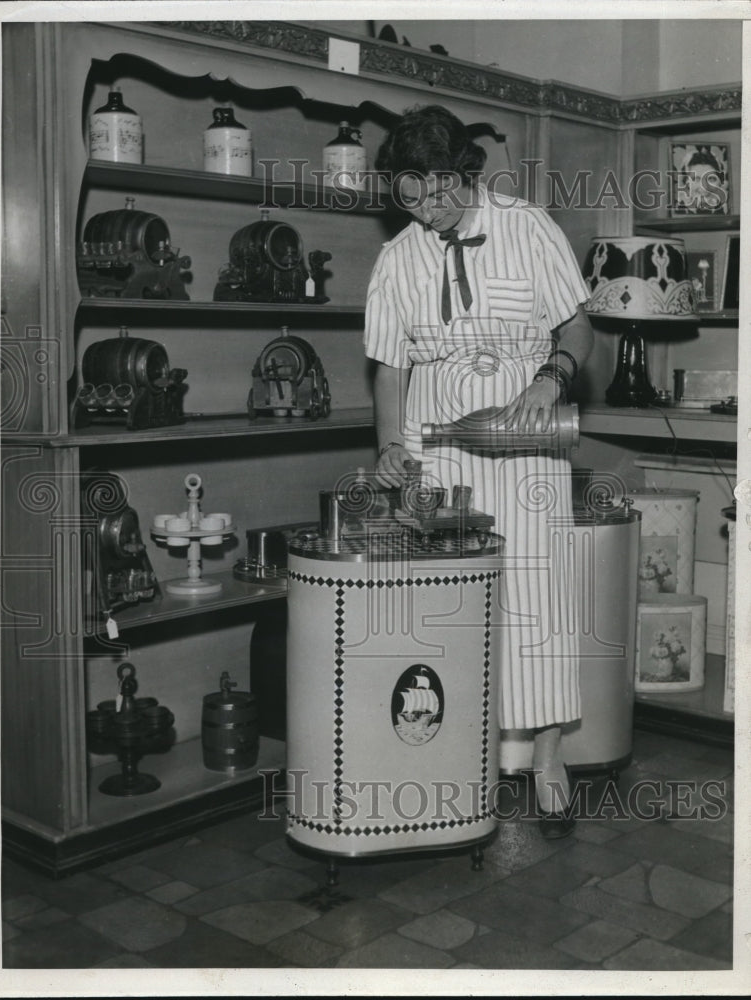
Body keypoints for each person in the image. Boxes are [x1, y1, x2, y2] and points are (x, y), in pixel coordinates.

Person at [363, 105, 594, 838]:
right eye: (409, 197)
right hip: (438, 446)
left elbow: (577, 326)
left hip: (525, 441)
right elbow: (389, 368)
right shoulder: (398, 256)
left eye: (436, 193)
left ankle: (548, 756)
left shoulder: (528, 226)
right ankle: (456, 755)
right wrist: (390, 448)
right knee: (449, 603)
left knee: (535, 594)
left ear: (465, 173)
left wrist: (549, 381)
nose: (425, 211)